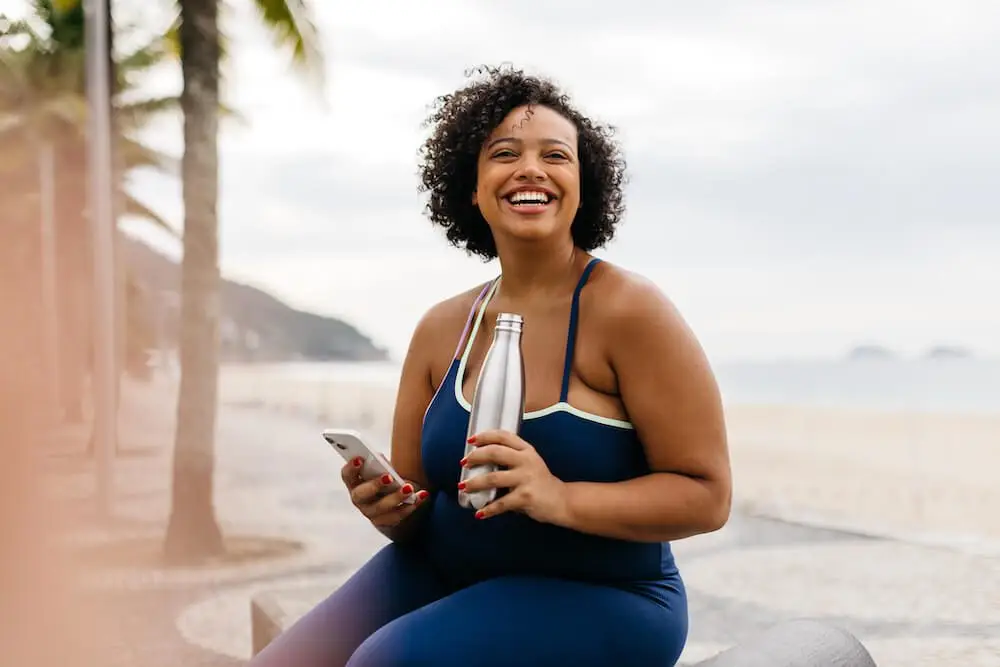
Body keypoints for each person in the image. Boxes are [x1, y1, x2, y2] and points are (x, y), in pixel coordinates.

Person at [249, 65, 732, 667]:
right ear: (472, 188)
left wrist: (558, 497)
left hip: (607, 594)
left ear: (583, 186)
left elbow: (707, 497)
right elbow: (417, 508)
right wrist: (386, 507)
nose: (531, 168)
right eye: (504, 153)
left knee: (385, 662)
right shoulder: (442, 328)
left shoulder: (631, 312)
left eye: (556, 155)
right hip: (449, 568)